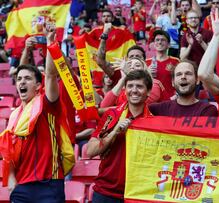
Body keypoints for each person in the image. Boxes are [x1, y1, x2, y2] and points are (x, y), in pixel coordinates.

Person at [0, 24, 74, 202]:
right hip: (22, 186)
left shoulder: (47, 104)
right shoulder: (16, 115)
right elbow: (9, 150)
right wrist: (11, 178)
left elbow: (49, 75)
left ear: (38, 86)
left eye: (27, 79)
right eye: (19, 80)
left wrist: (50, 43)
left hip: (48, 184)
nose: (21, 82)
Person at [87, 70, 153, 203]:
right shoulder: (111, 115)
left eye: (139, 86)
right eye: (130, 86)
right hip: (105, 192)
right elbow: (90, 151)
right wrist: (114, 132)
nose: (134, 90)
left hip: (137, 194)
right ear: (125, 89)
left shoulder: (154, 122)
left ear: (149, 92)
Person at [149, 60, 218, 116]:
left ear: (197, 80)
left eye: (188, 73)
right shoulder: (159, 109)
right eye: (179, 74)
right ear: (173, 82)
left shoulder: (208, 110)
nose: (183, 77)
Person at [100, 57, 165, 108]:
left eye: (137, 65)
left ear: (144, 70)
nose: (132, 67)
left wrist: (129, 74)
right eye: (129, 65)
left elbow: (141, 104)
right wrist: (124, 78)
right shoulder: (121, 88)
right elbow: (104, 106)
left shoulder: (154, 83)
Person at [146, 30, 179, 100]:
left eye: (163, 40)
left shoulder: (176, 61)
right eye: (157, 40)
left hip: (171, 100)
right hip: (152, 100)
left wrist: (176, 95)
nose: (160, 42)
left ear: (169, 45)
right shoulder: (147, 62)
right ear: (154, 44)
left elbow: (180, 81)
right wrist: (147, 73)